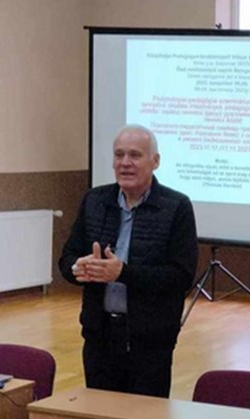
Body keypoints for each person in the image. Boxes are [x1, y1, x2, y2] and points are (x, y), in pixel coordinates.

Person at [59, 124, 198, 398]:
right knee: (100, 413)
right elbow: (67, 258)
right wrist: (78, 268)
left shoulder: (176, 207)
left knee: (144, 418)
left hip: (150, 340)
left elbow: (181, 276)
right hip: (99, 334)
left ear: (155, 161)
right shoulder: (94, 200)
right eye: (119, 155)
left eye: (135, 155)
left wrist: (122, 273)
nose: (125, 163)